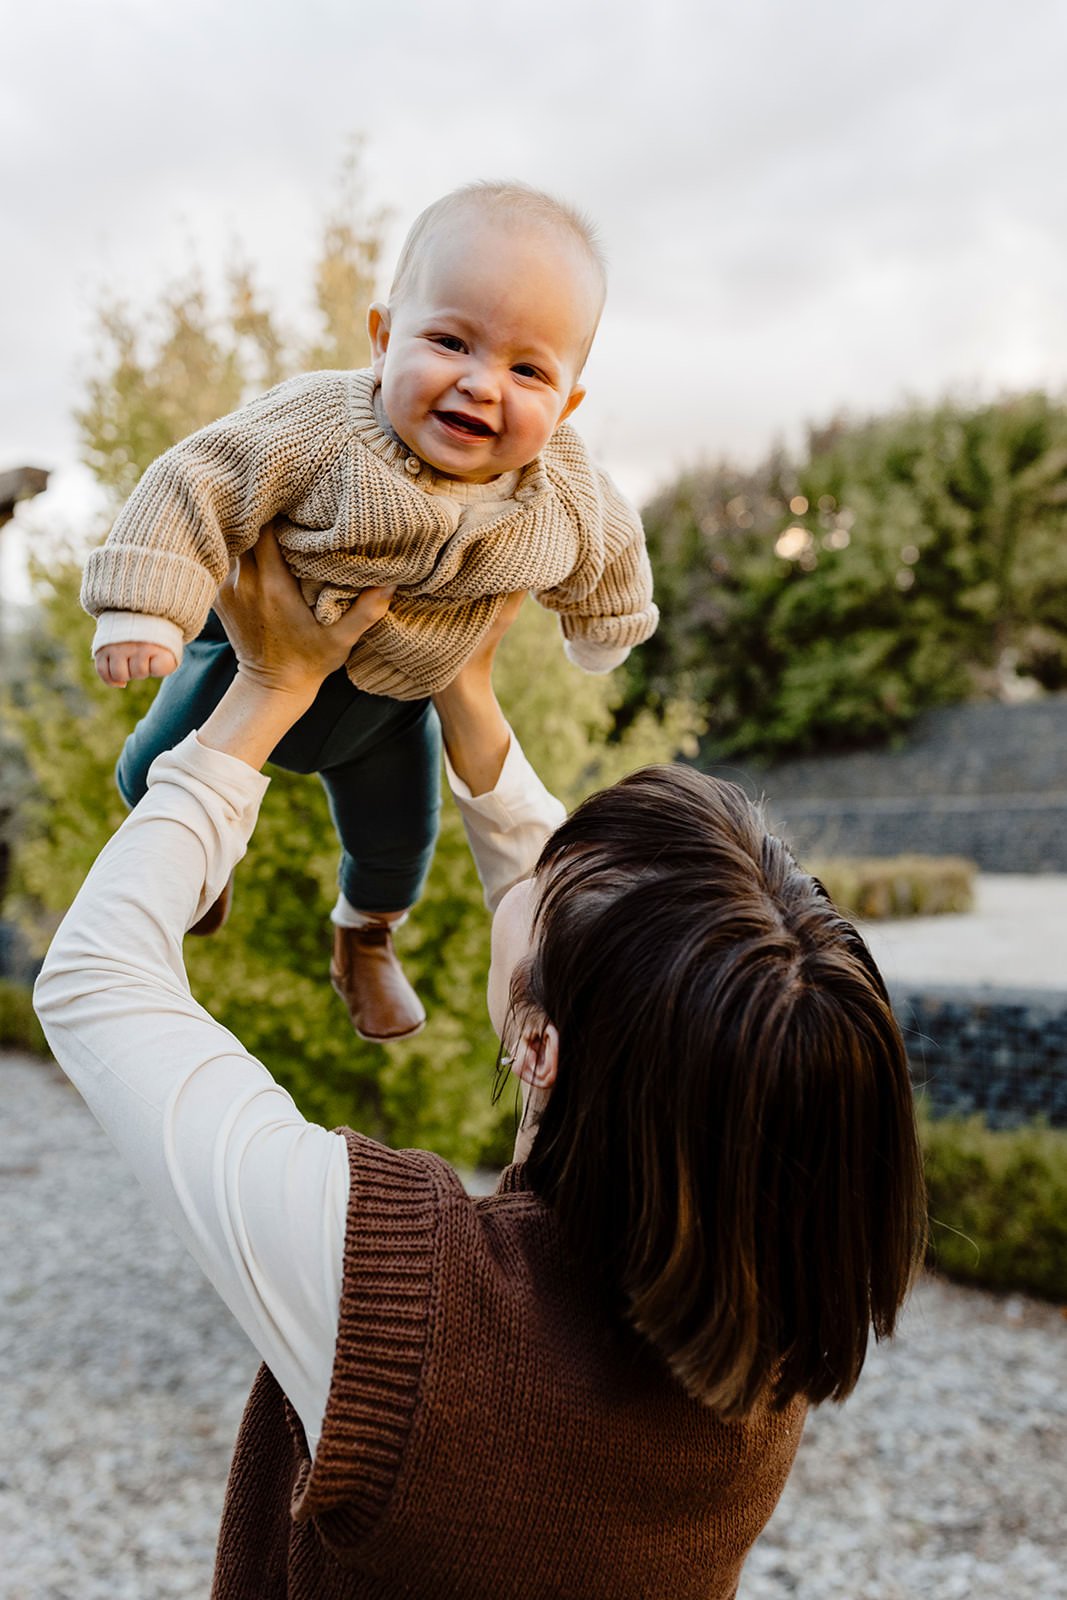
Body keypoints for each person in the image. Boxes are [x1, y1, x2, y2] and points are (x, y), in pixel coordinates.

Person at [35, 531, 927, 1599]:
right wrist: (466, 696)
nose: (531, 867)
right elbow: (617, 960)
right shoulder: (766, 1325)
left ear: (538, 1046)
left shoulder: (399, 1299)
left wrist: (262, 693)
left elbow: (95, 978)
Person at [80, 180, 658, 1045]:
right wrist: (142, 606)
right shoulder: (316, 424)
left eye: (527, 369)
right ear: (383, 339)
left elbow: (612, 547)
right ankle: (196, 866)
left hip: (393, 708)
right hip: (248, 655)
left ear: (569, 402)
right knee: (153, 769)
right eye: (450, 340)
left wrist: (604, 622)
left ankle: (364, 936)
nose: (480, 384)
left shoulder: (563, 486)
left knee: (399, 844)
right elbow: (195, 478)